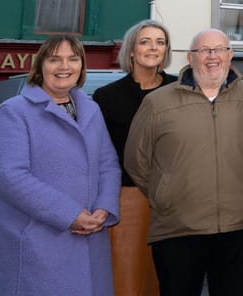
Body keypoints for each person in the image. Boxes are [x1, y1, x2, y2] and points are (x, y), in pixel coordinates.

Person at [125, 28, 243, 296]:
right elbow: (137, 160)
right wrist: (167, 193)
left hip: (237, 225)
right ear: (190, 57)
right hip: (177, 228)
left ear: (230, 55)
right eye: (204, 50)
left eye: (220, 49)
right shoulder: (157, 102)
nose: (212, 56)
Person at [0, 33, 121, 296]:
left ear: (82, 65)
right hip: (37, 243)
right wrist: (70, 214)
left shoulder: (91, 109)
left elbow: (108, 164)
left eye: (73, 59)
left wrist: (104, 207)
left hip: (89, 241)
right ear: (40, 65)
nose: (64, 66)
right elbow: (9, 177)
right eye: (54, 59)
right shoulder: (14, 112)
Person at [94, 19, 178, 296]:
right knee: (127, 280)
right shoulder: (107, 97)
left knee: (174, 279)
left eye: (160, 42)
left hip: (177, 199)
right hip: (129, 199)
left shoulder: (181, 90)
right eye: (145, 42)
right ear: (131, 50)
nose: (153, 48)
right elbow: (99, 154)